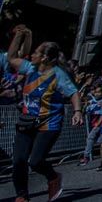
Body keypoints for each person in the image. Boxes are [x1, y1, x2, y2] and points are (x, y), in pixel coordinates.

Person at [6, 29, 83, 202]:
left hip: (48, 124)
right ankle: (22, 196)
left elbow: (73, 93)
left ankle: (53, 177)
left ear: (44, 58)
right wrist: (19, 35)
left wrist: (77, 111)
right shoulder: (29, 68)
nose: (31, 55)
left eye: (35, 53)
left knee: (36, 162)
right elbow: (10, 58)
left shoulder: (58, 75)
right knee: (18, 161)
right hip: (27, 121)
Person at [79, 81, 102, 166]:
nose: (97, 94)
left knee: (90, 138)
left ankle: (86, 156)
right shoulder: (91, 101)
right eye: (96, 92)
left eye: (99, 92)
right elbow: (85, 111)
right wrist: (85, 107)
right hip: (94, 123)